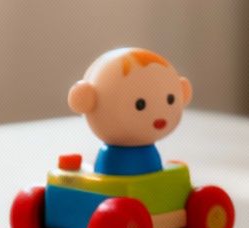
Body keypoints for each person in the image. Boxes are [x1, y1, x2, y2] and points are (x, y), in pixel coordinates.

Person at [66, 47, 194, 176]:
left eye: (170, 100)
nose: (159, 115)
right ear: (86, 99)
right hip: (112, 171)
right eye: (140, 105)